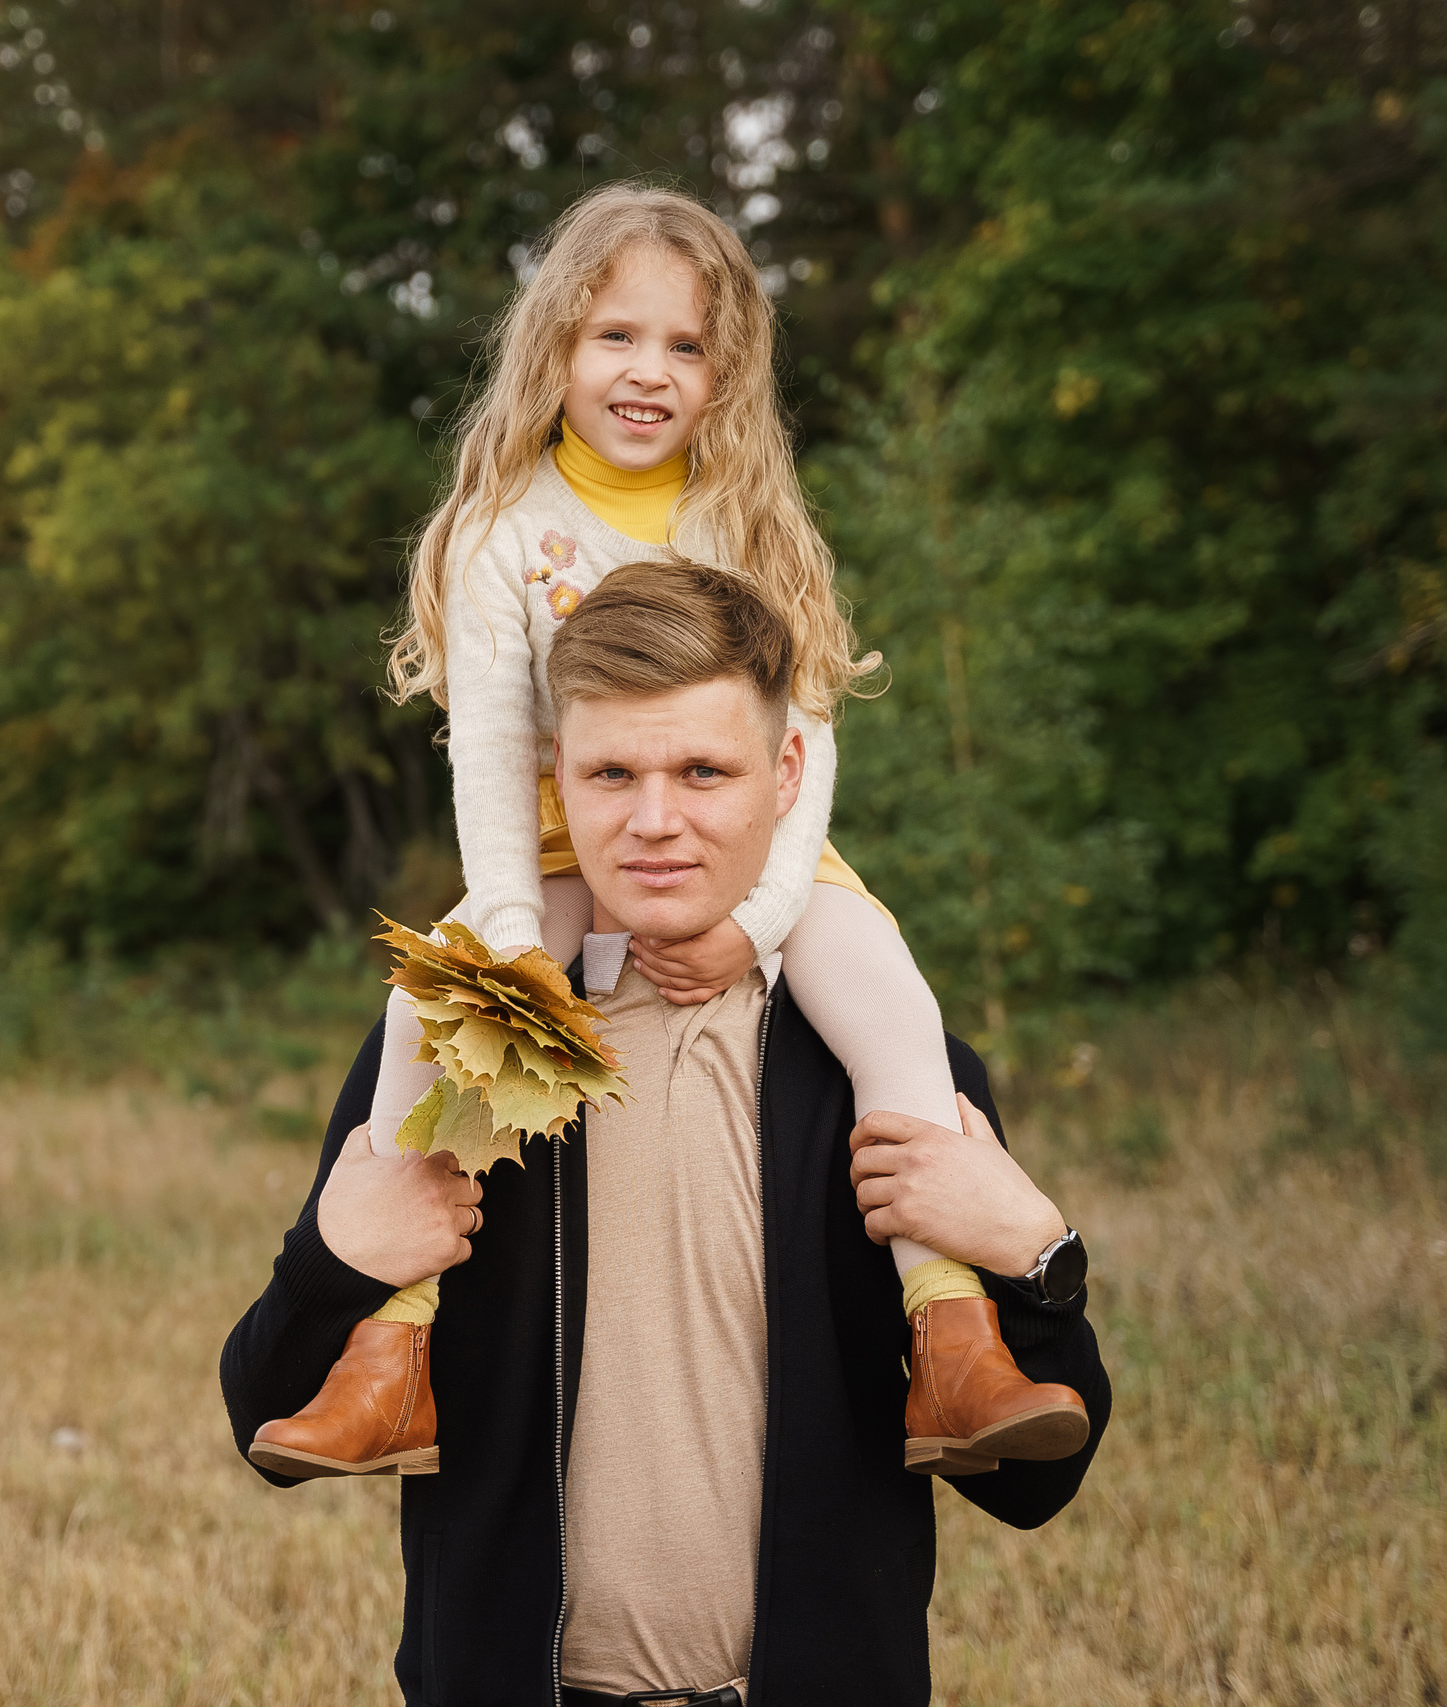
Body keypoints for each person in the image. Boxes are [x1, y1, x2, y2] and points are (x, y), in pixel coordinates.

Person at [247, 180, 1078, 1480]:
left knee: (894, 1004)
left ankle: (956, 1337)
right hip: (554, 848)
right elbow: (491, 754)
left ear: (726, 369)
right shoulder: (502, 535)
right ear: (556, 350)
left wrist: (760, 917)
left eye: (686, 345)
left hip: (760, 853)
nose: (649, 371)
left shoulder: (743, 518)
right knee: (433, 1010)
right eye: (615, 336)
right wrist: (517, 934)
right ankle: (387, 1354)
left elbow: (810, 735)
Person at [221, 561, 1111, 1704]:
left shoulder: (876, 1069)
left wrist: (1038, 1253)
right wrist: (333, 1264)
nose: (654, 822)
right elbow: (263, 1418)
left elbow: (1036, 1487)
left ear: (786, 772)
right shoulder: (467, 1056)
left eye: (703, 770)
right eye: (611, 773)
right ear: (554, 779)